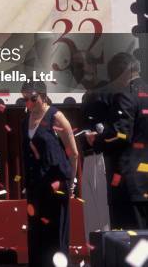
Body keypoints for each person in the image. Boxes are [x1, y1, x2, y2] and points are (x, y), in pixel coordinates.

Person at [86, 52, 148, 230]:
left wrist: (96, 140)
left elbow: (121, 135)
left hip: (130, 181)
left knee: (130, 239)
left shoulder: (126, 95)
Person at [21, 80, 78, 267]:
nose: (29, 103)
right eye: (25, 100)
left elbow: (73, 153)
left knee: (55, 235)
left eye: (33, 99)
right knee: (36, 234)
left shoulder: (56, 117)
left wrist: (71, 182)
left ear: (43, 96)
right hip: (35, 186)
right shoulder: (25, 121)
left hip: (56, 184)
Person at [70, 50, 111, 241]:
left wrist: (101, 134)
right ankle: (94, 256)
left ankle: (108, 256)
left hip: (103, 159)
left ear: (94, 66)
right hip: (88, 158)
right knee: (91, 217)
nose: (77, 71)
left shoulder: (107, 91)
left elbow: (120, 125)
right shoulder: (87, 96)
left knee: (103, 215)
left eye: (80, 65)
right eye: (74, 68)